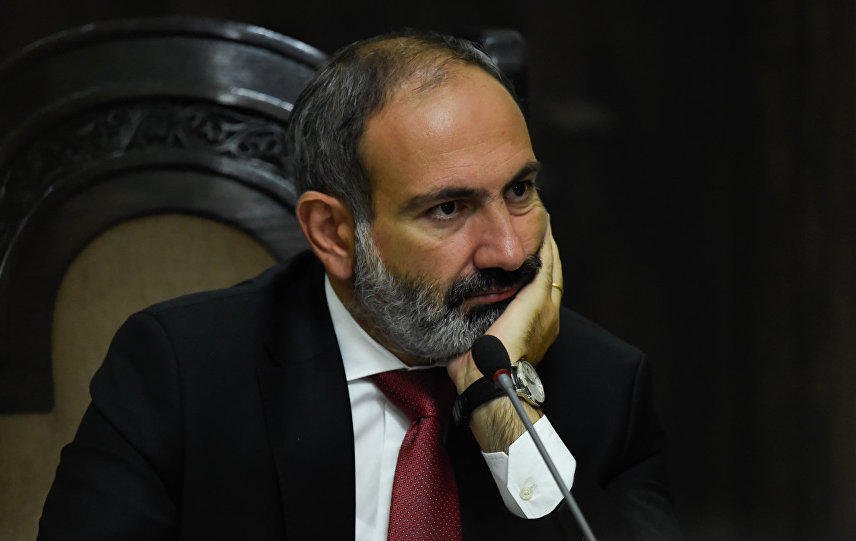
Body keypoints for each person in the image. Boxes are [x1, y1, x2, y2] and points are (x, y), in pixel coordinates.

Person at [38, 30, 680, 540]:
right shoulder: (182, 373)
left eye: (519, 190)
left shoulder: (603, 389)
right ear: (335, 233)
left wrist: (502, 406)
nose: (511, 251)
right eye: (448, 209)